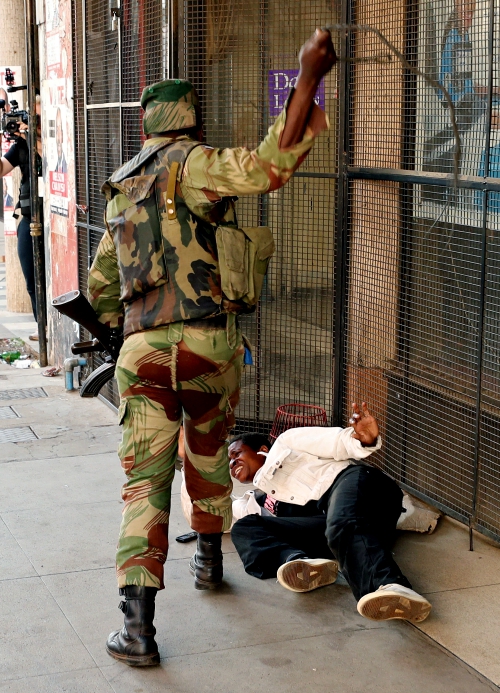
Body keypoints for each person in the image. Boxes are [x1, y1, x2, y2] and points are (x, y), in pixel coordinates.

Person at [85, 30, 337, 667]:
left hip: (141, 353)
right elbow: (268, 167)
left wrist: (124, 326)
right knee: (208, 453)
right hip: (209, 346)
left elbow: (100, 286)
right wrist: (308, 78)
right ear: (190, 119)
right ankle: (206, 562)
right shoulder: (195, 164)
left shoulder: (121, 186)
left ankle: (136, 631)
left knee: (144, 485)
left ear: (144, 127)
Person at [228, 403, 432, 624]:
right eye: (229, 462)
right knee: (244, 527)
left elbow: (337, 442)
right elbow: (213, 514)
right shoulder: (257, 500)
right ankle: (300, 564)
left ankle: (394, 585)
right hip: (339, 529)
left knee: (341, 522)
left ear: (263, 449)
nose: (232, 463)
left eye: (237, 454)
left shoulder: (287, 442)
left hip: (361, 487)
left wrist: (364, 440)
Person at [0, 118, 41, 323]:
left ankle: (51, 327)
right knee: (31, 278)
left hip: (52, 217)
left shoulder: (49, 141)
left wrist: (31, 137)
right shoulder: (21, 146)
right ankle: (41, 326)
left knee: (48, 278)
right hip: (28, 216)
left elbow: (49, 159)